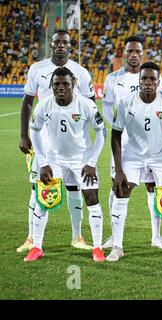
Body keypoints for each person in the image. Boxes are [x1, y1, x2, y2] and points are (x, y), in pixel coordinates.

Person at [18, 29, 95, 254]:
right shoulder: (37, 69)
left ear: (70, 46)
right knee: (38, 188)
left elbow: (90, 106)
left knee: (74, 188)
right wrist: (25, 135)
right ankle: (32, 238)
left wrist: (86, 141)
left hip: (73, 145)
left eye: (65, 43)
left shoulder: (80, 72)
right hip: (44, 142)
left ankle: (77, 236)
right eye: (57, 42)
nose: (60, 45)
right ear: (51, 45)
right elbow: (27, 102)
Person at [108, 62, 162, 262]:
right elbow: (115, 135)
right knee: (121, 192)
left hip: (160, 155)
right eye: (144, 78)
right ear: (139, 80)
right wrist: (119, 170)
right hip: (133, 154)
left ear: (159, 82)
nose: (148, 82)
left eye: (153, 79)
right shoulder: (126, 102)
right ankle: (117, 246)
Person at [25, 67, 106, 262]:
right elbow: (34, 130)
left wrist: (91, 163)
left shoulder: (87, 105)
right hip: (54, 160)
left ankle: (97, 248)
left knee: (92, 198)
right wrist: (43, 162)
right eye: (56, 85)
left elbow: (101, 133)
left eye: (65, 84)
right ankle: (36, 247)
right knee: (43, 200)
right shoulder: (44, 105)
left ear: (74, 85)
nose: (61, 88)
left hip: (82, 160)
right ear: (51, 86)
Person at [102, 35, 162, 251]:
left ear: (142, 53)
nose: (134, 55)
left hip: (151, 144)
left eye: (138, 51)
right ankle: (114, 236)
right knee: (117, 187)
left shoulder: (154, 79)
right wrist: (119, 128)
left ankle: (156, 236)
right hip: (124, 144)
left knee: (153, 188)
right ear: (124, 53)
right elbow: (106, 107)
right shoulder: (113, 79)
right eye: (130, 51)